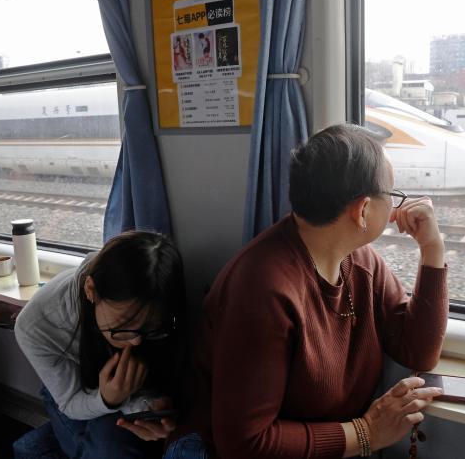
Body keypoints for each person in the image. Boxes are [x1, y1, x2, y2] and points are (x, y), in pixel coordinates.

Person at [166, 123, 449, 458]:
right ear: (362, 211)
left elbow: (418, 351)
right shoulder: (262, 290)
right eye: (392, 195)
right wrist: (367, 432)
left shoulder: (360, 261)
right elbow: (244, 443)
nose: (396, 206)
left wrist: (432, 248)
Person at [12, 231, 187, 459]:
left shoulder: (157, 295)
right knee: (109, 449)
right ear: (90, 290)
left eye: (149, 329)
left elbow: (150, 384)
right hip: (72, 388)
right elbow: (70, 400)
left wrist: (148, 407)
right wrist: (108, 399)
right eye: (123, 327)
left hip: (125, 390)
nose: (136, 341)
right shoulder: (36, 324)